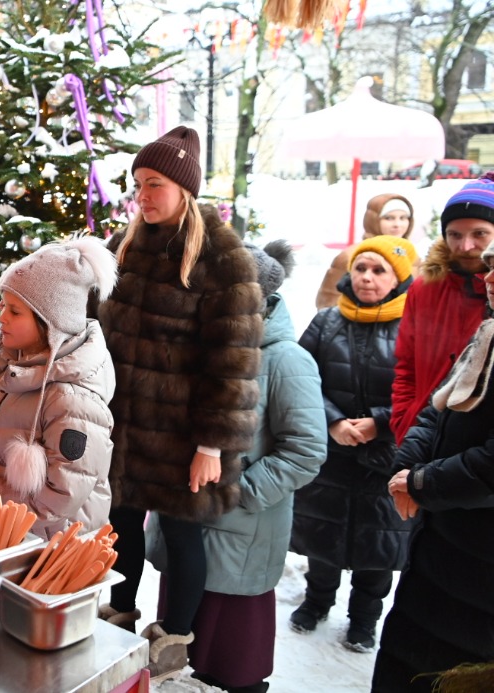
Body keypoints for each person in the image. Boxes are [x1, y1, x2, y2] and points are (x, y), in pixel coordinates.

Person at [96, 125, 264, 678]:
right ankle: (118, 615)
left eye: (155, 184)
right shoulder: (126, 246)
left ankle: (172, 643)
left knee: (182, 532)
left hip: (185, 432)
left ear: (185, 189)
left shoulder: (223, 258)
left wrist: (211, 445)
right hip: (124, 424)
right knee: (120, 523)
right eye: (138, 183)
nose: (142, 195)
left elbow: (232, 362)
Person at [147, 240, 327, 693]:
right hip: (186, 530)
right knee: (176, 657)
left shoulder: (286, 360)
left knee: (231, 664)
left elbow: (305, 450)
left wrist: (238, 490)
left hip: (239, 533)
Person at [372, 243, 494, 692]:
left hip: (482, 574)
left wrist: (423, 484)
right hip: (439, 551)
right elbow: (436, 411)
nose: (489, 279)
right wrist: (406, 470)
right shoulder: (488, 335)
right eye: (491, 266)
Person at [289, 235, 419, 653]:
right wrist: (333, 421)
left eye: (379, 270)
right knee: (322, 538)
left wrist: (380, 423)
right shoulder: (327, 322)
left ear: (398, 278)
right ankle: (316, 601)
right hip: (332, 455)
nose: (366, 277)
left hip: (387, 458)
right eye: (360, 268)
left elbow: (425, 392)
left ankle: (364, 618)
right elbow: (301, 380)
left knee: (377, 545)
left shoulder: (416, 326)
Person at [0, 237, 117, 537]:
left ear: (50, 323)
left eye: (15, 311)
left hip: (48, 548)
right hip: (2, 531)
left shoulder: (73, 401)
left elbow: (58, 498)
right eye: (3, 305)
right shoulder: (7, 366)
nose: (1, 318)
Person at [390, 172, 494, 443]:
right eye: (454, 234)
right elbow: (407, 366)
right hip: (421, 436)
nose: (466, 246)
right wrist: (403, 422)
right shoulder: (425, 287)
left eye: (480, 234)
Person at [315, 193, 415, 309]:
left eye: (403, 218)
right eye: (389, 218)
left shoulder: (414, 258)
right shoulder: (352, 256)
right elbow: (327, 304)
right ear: (373, 220)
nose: (397, 224)